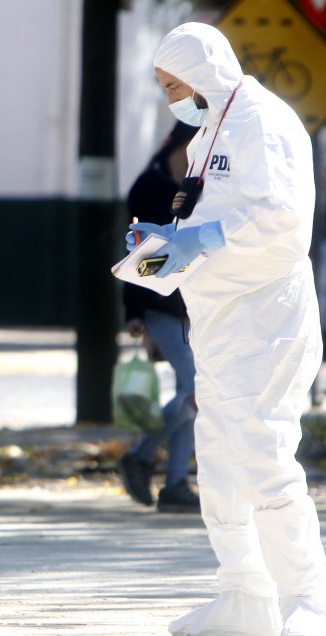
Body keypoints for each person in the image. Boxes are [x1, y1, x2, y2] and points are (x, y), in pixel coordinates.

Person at [127, 22, 326, 636]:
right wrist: (156, 253)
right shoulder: (210, 127)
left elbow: (281, 218)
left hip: (266, 320)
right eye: (162, 88)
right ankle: (244, 596)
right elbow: (206, 220)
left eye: (174, 85)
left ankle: (307, 599)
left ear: (205, 72)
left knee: (262, 454)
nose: (171, 100)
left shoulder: (260, 121)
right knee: (218, 462)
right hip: (217, 323)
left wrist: (200, 239)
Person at [118, 120, 201, 514]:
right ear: (178, 145)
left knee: (193, 393)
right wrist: (135, 313)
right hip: (161, 305)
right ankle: (141, 455)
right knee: (195, 388)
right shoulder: (150, 188)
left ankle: (175, 485)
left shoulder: (196, 186)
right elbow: (140, 254)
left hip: (194, 305)